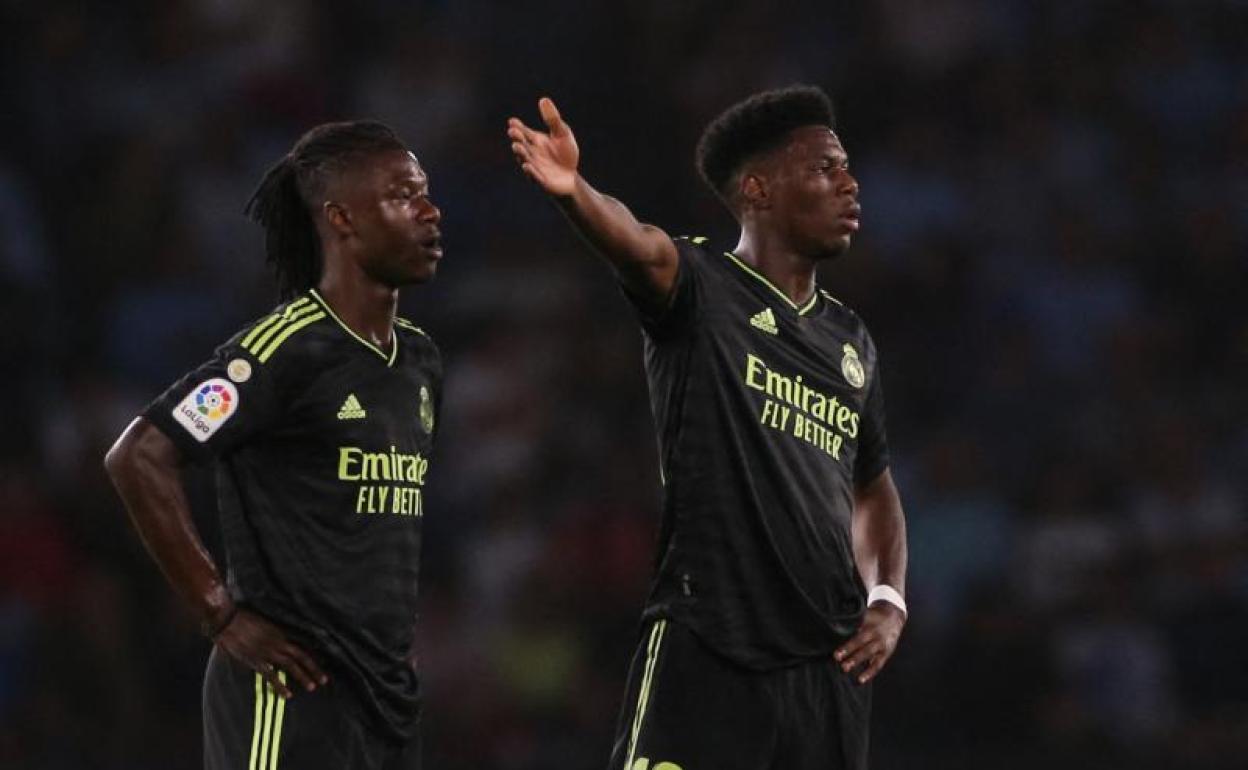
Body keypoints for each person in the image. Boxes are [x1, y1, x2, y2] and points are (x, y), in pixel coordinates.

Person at [507, 86, 909, 770]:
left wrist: (889, 598)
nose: (850, 183)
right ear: (757, 189)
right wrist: (575, 192)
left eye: (846, 167)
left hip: (826, 669)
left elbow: (873, 489)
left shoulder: (853, 343)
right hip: (711, 643)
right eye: (824, 168)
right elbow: (637, 246)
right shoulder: (702, 287)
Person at [104, 120, 444, 770]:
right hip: (290, 691)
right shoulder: (285, 351)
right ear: (342, 218)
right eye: (404, 195)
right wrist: (218, 613)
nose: (430, 210)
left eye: (426, 192)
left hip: (386, 696)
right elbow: (139, 455)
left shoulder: (420, 360)